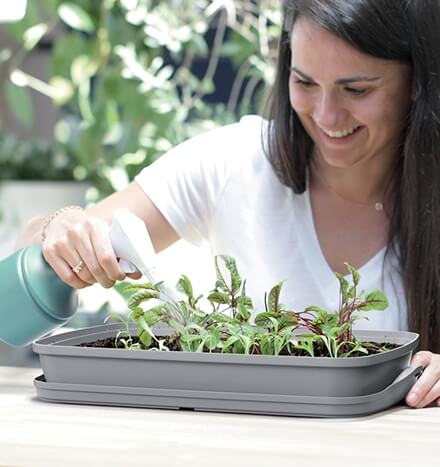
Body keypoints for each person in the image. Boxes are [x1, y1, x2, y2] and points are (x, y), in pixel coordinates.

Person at [18, 0, 440, 408]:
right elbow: (31, 246)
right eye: (304, 82)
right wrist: (61, 227)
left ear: (418, 81)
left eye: (356, 89)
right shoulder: (235, 162)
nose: (327, 116)